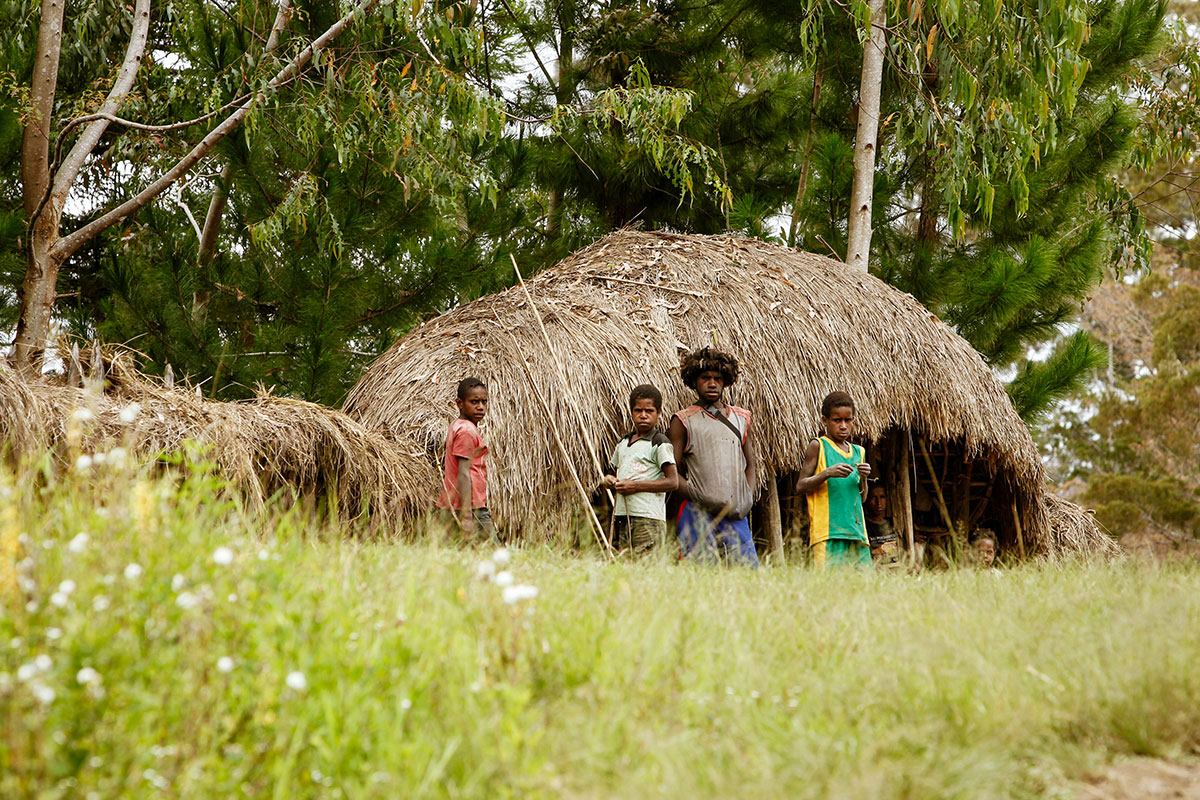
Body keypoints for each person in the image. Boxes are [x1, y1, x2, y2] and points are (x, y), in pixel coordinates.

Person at [668, 347, 759, 567]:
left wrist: (746, 497)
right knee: (700, 572)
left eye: (717, 378)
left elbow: (751, 464)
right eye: (705, 378)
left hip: (736, 512)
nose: (711, 383)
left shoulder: (742, 418)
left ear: (726, 381)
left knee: (747, 571)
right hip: (698, 511)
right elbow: (671, 469)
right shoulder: (683, 420)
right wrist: (698, 494)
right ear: (694, 381)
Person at [796, 391, 872, 569]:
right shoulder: (818, 446)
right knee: (831, 587)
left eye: (848, 420)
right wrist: (826, 473)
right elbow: (800, 486)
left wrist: (864, 478)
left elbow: (862, 498)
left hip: (857, 532)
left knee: (864, 588)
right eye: (837, 420)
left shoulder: (858, 452)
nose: (843, 426)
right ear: (825, 420)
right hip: (828, 532)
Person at [602, 384, 679, 553]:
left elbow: (673, 482)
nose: (643, 415)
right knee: (625, 565)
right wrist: (609, 480)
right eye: (638, 410)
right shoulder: (623, 443)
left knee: (646, 568)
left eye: (649, 411)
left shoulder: (660, 442)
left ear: (658, 413)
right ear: (631, 412)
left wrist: (635, 486)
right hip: (622, 516)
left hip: (648, 518)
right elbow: (611, 472)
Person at [436, 377, 498, 544]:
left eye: (484, 402)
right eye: (474, 401)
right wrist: (467, 516)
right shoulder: (466, 431)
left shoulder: (457, 425)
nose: (480, 407)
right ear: (460, 403)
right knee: (495, 555)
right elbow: (464, 473)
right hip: (470, 506)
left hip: (452, 504)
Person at [864, 484, 900, 568]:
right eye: (873, 498)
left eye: (882, 497)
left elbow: (915, 543)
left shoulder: (894, 523)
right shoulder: (863, 526)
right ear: (866, 500)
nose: (878, 502)